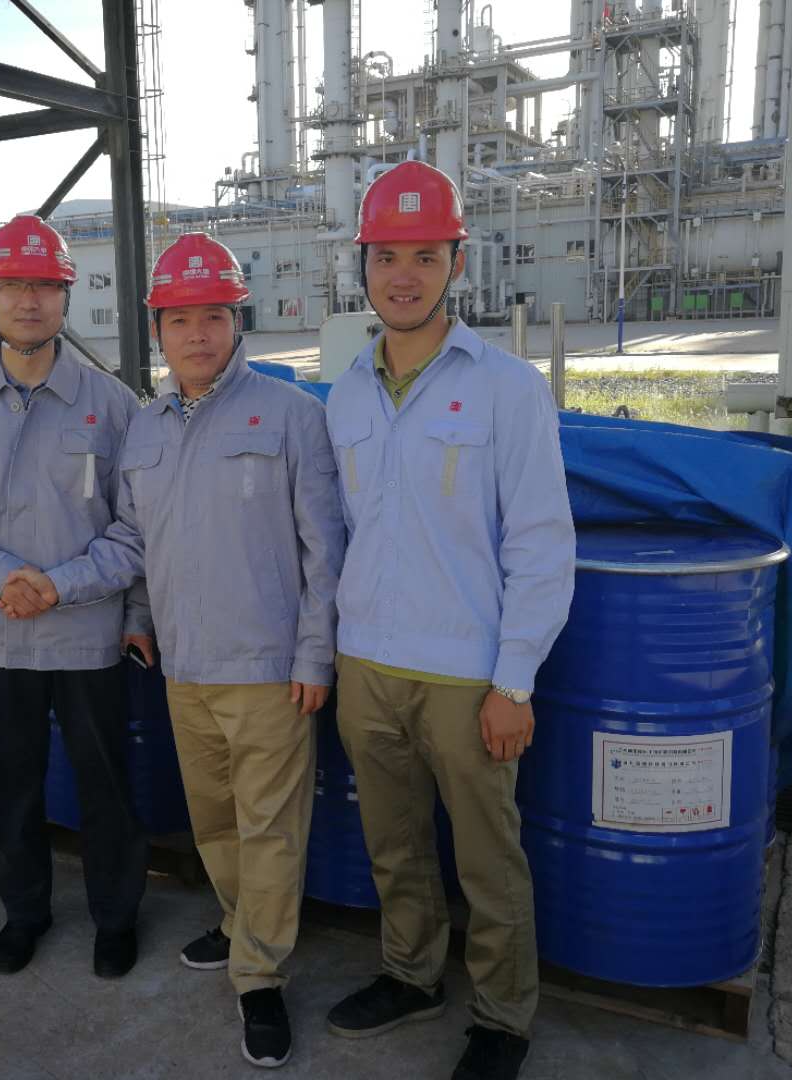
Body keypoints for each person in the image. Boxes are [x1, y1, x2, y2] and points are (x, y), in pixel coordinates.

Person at [9, 232, 345, 1069]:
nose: (198, 334)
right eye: (180, 319)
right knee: (216, 820)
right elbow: (135, 540)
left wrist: (314, 657)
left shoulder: (291, 416)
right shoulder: (146, 428)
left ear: (238, 323)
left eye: (214, 317)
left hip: (268, 671)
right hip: (185, 667)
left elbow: (325, 551)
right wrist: (112, 605)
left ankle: (259, 976)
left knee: (269, 829)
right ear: (156, 328)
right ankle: (237, 923)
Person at [321, 160, 576, 1080]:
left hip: (469, 673)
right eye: (387, 257)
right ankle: (411, 974)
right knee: (392, 845)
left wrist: (515, 681)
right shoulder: (345, 393)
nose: (404, 276)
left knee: (487, 858)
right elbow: (342, 533)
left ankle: (503, 1019)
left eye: (425, 257)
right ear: (363, 266)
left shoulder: (507, 388)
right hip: (367, 664)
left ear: (456, 264)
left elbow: (542, 543)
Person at [0, 214, 150, 980]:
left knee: (105, 784)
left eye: (44, 285)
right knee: (10, 786)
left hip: (86, 633)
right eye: (12, 285)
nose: (28, 301)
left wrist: (60, 587)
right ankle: (25, 913)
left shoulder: (112, 405)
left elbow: (137, 525)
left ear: (65, 296)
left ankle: (115, 917)